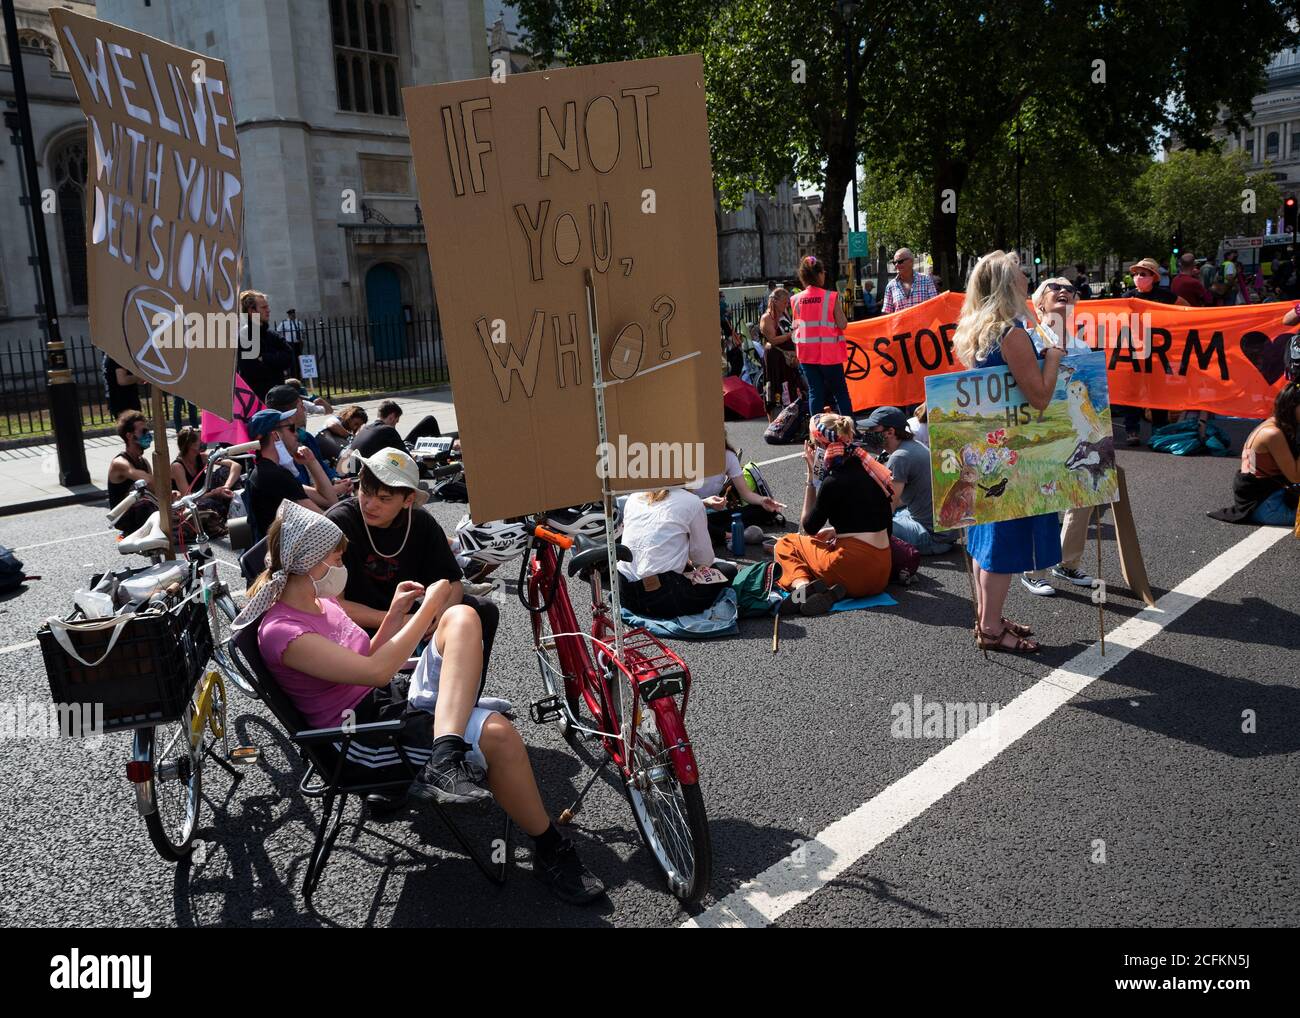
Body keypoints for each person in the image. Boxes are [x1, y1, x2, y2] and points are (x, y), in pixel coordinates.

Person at [237, 502, 604, 903]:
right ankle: (551, 848)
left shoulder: (320, 604)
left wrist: (395, 614)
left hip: (384, 699)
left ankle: (443, 756)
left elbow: (364, 662)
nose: (343, 562)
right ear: (309, 561)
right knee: (499, 734)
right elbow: (375, 671)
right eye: (336, 555)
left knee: (463, 616)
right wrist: (427, 606)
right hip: (360, 737)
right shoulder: (282, 631)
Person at [953, 251, 1065, 654]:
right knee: (1003, 541)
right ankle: (990, 628)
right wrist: (1052, 357)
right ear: (1007, 283)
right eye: (1021, 272)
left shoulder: (977, 330)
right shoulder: (1010, 333)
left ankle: (990, 619)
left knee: (987, 538)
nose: (1026, 277)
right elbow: (1038, 396)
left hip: (988, 447)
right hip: (1013, 450)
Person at [326, 449, 498, 681]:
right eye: (365, 492)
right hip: (356, 622)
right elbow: (334, 605)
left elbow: (452, 583)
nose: (370, 504)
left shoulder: (420, 522)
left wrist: (437, 615)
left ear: (408, 500)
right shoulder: (338, 522)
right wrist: (402, 620)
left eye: (384, 498)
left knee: (481, 610)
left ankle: (462, 698)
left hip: (409, 614)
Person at [773, 413, 894, 614]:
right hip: (881, 571)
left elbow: (808, 527)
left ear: (820, 447)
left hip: (851, 568)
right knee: (823, 546)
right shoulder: (870, 467)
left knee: (786, 543)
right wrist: (838, 532)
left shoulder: (833, 481)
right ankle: (829, 592)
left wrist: (811, 478)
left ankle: (802, 588)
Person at [617, 488, 738, 620]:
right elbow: (704, 559)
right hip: (664, 596)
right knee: (728, 570)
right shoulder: (691, 501)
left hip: (624, 591)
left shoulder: (634, 496)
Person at [864, 405, 955, 556]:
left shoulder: (899, 457)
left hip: (932, 537)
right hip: (944, 533)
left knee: (866, 522)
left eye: (873, 429)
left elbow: (888, 509)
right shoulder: (913, 445)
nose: (868, 433)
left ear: (890, 432)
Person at [1209, 383, 1300, 525]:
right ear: (1291, 407)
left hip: (1266, 498)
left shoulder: (1277, 425)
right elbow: (1295, 476)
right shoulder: (1272, 433)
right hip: (1268, 505)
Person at [1121, 257, 1187, 446]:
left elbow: (1187, 309)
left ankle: (1159, 428)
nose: (1138, 277)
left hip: (1158, 352)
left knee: (1157, 390)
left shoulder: (1165, 296)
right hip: (1134, 351)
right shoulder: (1127, 297)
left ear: (1153, 277)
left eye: (1144, 274)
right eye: (1136, 274)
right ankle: (1132, 430)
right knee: (1132, 391)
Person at [243, 408, 339, 537]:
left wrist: (311, 461)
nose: (297, 434)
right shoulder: (275, 475)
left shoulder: (265, 470)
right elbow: (327, 522)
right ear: (275, 435)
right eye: (291, 428)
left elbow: (328, 500)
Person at [790, 255, 853, 416]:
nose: (824, 275)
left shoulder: (795, 299)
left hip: (806, 354)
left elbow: (797, 327)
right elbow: (843, 324)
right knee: (840, 392)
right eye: (823, 272)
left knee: (815, 392)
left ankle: (815, 433)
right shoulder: (830, 297)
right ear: (818, 274)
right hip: (829, 354)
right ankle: (849, 430)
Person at [692, 440, 785, 541]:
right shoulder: (684, 454)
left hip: (714, 513)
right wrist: (705, 503)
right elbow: (676, 503)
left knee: (761, 510)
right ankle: (726, 535)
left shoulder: (728, 456)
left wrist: (762, 501)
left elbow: (745, 493)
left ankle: (715, 534)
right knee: (693, 523)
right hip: (689, 512)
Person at [265, 384, 346, 487]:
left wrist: (334, 479)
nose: (304, 409)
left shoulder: (307, 438)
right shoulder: (276, 449)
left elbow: (321, 465)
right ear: (291, 413)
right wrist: (332, 490)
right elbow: (298, 489)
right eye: (301, 405)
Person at [237, 289, 295, 401]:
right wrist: (276, 362)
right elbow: (252, 371)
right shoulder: (244, 338)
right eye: (263, 307)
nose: (268, 310)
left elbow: (289, 358)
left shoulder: (273, 335)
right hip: (257, 401)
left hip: (279, 399)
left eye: (267, 306)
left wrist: (264, 357)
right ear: (251, 311)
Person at [758, 286, 805, 417]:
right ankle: (774, 423)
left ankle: (791, 421)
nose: (787, 304)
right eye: (784, 302)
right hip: (776, 358)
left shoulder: (784, 314)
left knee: (792, 390)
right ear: (775, 301)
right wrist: (790, 335)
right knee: (776, 391)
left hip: (789, 359)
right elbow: (772, 340)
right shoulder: (767, 318)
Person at [106, 410, 154, 534]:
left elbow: (154, 487)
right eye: (143, 431)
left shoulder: (143, 461)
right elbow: (147, 480)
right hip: (123, 517)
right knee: (147, 505)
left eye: (147, 430)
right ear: (129, 436)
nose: (148, 434)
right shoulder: (120, 463)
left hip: (141, 509)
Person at [879, 247, 939, 314]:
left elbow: (935, 306)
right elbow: (887, 313)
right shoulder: (891, 286)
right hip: (900, 325)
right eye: (894, 262)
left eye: (900, 262)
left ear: (911, 261)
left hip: (923, 324)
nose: (896, 265)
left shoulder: (926, 280)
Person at [104, 354, 144, 419]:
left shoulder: (109, 355)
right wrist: (139, 377)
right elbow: (122, 380)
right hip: (125, 402)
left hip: (116, 400)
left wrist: (135, 379)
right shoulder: (119, 355)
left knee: (127, 427)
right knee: (135, 427)